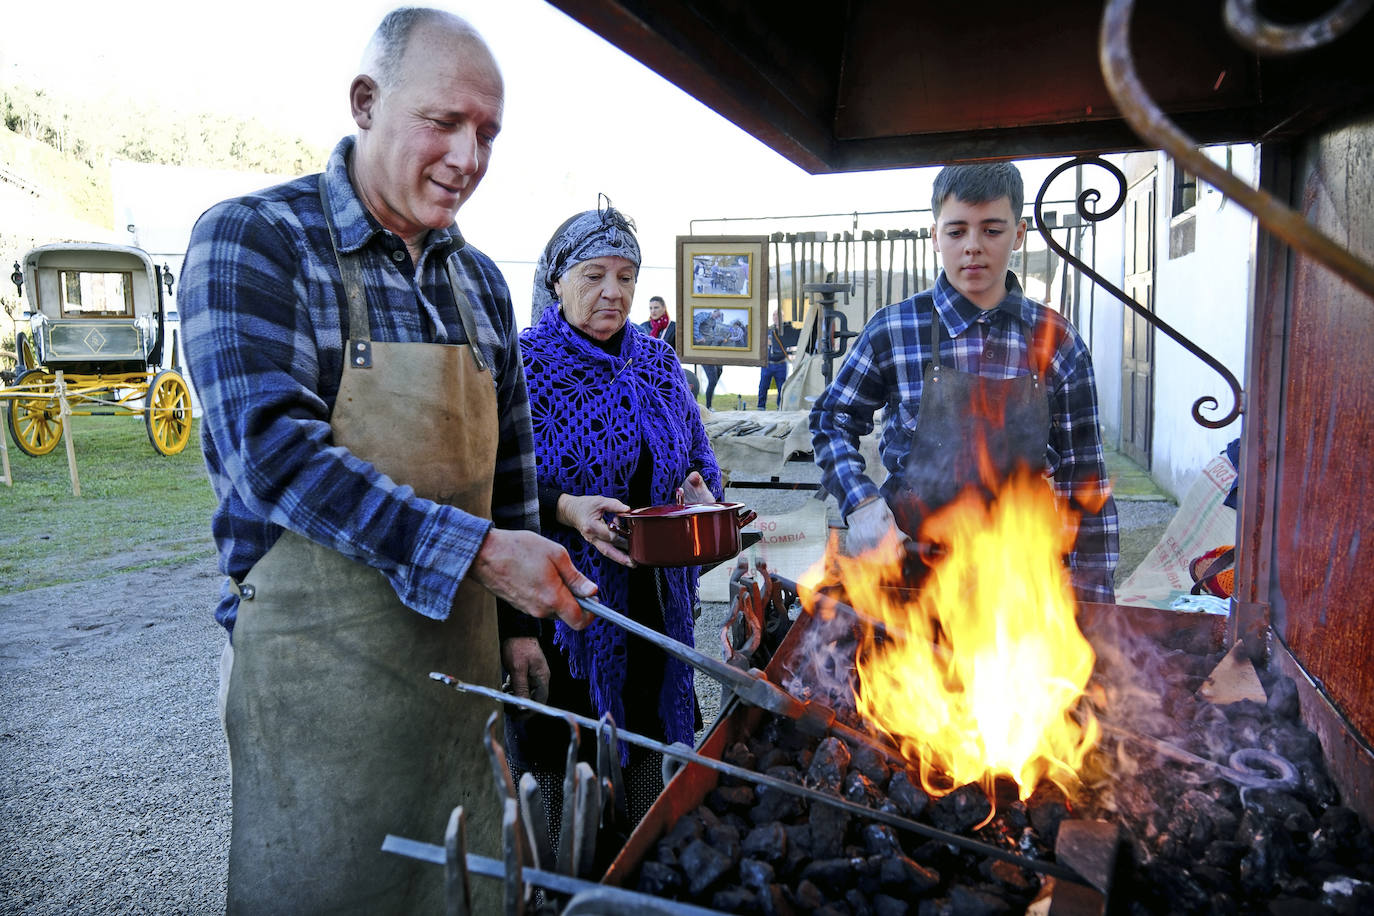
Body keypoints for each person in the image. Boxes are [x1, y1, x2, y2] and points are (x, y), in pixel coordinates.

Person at [178, 10, 595, 913]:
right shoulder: (254, 242)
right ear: (366, 102)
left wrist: (517, 626)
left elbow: (510, 462)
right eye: (443, 122)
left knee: (465, 887)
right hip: (319, 677)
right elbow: (275, 458)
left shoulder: (477, 280)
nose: (469, 157)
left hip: (459, 673)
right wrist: (486, 559)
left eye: (487, 134)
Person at [511, 199, 723, 847]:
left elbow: (700, 465)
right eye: (594, 275)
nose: (614, 292)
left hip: (654, 606)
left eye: (626, 276)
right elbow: (502, 486)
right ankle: (562, 876)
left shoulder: (658, 365)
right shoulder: (523, 367)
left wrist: (698, 493)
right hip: (564, 607)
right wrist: (564, 508)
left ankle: (640, 859)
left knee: (651, 745)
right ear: (556, 280)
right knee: (563, 757)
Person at [809, 163, 1118, 604]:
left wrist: (1092, 599)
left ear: (1019, 234)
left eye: (992, 230)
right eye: (956, 232)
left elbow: (1084, 476)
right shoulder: (892, 330)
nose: (973, 247)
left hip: (1018, 587)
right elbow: (831, 420)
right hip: (907, 577)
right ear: (935, 236)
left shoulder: (1057, 341)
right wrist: (863, 505)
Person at [758, 309, 788, 408]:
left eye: (778, 315)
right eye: (774, 315)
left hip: (781, 363)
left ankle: (780, 408)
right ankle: (761, 408)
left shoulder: (786, 330)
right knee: (763, 387)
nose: (776, 317)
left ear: (782, 317)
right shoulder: (768, 330)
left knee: (782, 388)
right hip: (768, 363)